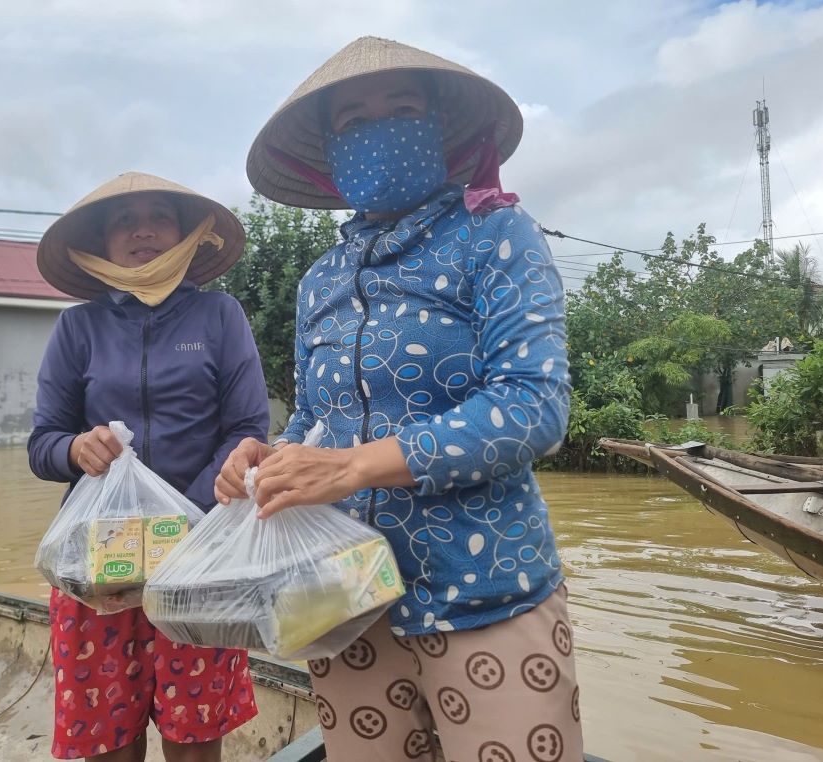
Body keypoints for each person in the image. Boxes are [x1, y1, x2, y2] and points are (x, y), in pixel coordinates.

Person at [218, 37, 583, 761]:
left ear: (440, 127)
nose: (378, 127)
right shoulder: (320, 277)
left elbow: (533, 405)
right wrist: (276, 454)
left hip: (485, 590)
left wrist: (355, 467)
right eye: (353, 120)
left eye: (402, 108)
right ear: (331, 150)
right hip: (346, 596)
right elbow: (322, 420)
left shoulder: (496, 233)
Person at [30, 172, 268, 762]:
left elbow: (246, 430)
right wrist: (74, 449)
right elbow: (42, 445)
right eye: (122, 220)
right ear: (102, 243)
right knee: (107, 734)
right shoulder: (77, 327)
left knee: (195, 733)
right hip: (99, 559)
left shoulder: (220, 315)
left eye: (160, 215)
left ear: (187, 235)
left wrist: (185, 518)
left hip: (202, 550)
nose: (142, 229)